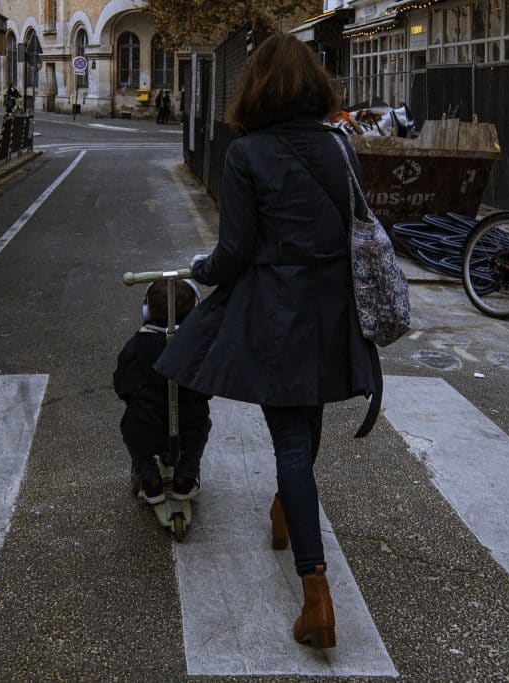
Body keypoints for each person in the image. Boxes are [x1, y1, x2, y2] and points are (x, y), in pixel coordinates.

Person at [154, 33, 379, 649]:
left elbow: (235, 252)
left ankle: (316, 596)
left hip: (279, 311)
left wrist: (201, 270)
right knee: (306, 424)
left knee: (287, 435)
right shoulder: (340, 147)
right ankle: (286, 507)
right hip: (333, 309)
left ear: (254, 86)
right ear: (314, 84)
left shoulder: (246, 153)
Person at [113, 279, 211, 503]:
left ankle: (149, 478)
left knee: (131, 431)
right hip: (189, 426)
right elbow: (207, 387)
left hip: (145, 425)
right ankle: (185, 478)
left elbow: (122, 384)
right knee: (201, 428)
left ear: (146, 309)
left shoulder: (136, 345)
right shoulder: (198, 345)